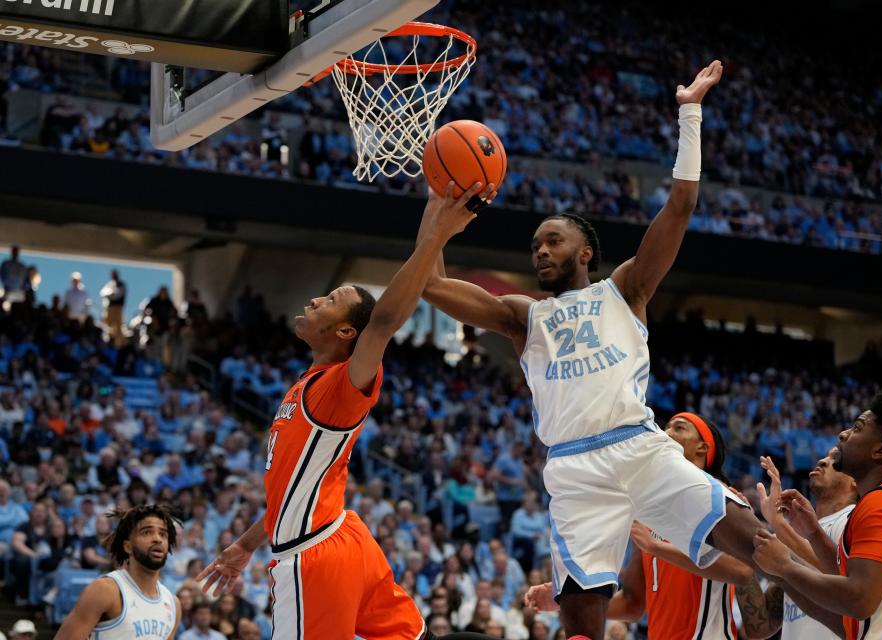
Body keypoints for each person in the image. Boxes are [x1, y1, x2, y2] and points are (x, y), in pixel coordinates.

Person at [421, 61, 765, 639]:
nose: (541, 251)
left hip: (639, 447)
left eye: (554, 240)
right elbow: (431, 285)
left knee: (757, 542)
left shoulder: (626, 289)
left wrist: (690, 112)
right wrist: (436, 214)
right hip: (574, 468)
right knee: (582, 621)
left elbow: (679, 207)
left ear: (586, 252)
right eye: (535, 244)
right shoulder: (523, 315)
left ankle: (832, 606)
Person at [196, 184, 504, 640]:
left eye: (331, 299)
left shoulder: (342, 385)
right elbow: (288, 497)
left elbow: (381, 323)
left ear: (343, 330)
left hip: (314, 552)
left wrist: (436, 237)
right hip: (346, 539)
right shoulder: (305, 385)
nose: (315, 299)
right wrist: (245, 546)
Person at [526, 412, 780, 640]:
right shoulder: (647, 510)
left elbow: (741, 569)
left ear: (703, 448)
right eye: (666, 427)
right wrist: (567, 599)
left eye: (679, 428)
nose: (667, 433)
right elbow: (632, 604)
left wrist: (655, 547)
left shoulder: (720, 499)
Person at [753, 387, 882, 639]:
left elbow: (859, 600)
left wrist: (785, 567)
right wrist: (813, 533)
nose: (843, 434)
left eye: (857, 428)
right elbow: (851, 576)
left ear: (880, 451)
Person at [754, 449, 858, 639]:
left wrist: (778, 524)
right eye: (825, 456)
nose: (823, 461)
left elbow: (851, 586)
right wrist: (742, 535)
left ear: (856, 481)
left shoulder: (854, 520)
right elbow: (762, 625)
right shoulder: (795, 534)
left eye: (835, 459)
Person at [53, 504, 182, 639]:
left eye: (163, 534)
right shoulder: (105, 590)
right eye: (146, 532)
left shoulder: (173, 604)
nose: (157, 539)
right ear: (128, 547)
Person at [100, 269, 127, 345]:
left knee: (118, 328)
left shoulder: (121, 284)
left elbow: (117, 295)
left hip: (118, 309)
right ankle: (110, 342)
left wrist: (111, 295)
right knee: (109, 327)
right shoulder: (109, 284)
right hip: (109, 309)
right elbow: (103, 293)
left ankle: (119, 344)